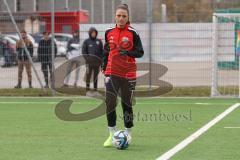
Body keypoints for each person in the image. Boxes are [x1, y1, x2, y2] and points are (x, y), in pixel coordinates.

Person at [102, 4, 144, 147]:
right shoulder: (108, 32)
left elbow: (140, 52)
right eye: (119, 15)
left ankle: (128, 133)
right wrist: (103, 66)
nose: (121, 18)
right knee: (110, 103)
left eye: (124, 16)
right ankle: (111, 134)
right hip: (111, 73)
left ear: (128, 18)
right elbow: (106, 51)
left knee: (126, 104)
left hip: (128, 74)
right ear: (115, 16)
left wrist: (128, 53)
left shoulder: (133, 33)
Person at [82, 27, 103, 94]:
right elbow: (84, 52)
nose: (94, 34)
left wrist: (101, 61)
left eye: (95, 33)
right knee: (88, 76)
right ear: (90, 33)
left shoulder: (99, 41)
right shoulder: (86, 41)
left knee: (95, 77)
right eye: (92, 33)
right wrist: (88, 59)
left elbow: (102, 52)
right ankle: (87, 90)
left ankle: (95, 90)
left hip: (97, 63)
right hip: (89, 63)